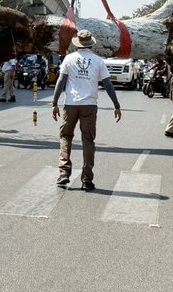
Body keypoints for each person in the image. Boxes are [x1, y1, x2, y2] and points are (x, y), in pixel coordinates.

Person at [51, 29, 122, 191]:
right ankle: (87, 180)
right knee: (88, 141)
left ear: (77, 43)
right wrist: (116, 105)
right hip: (89, 105)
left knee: (65, 136)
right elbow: (107, 84)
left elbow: (61, 81)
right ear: (91, 44)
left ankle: (64, 173)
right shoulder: (98, 61)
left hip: (71, 104)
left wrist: (54, 103)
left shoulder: (69, 59)